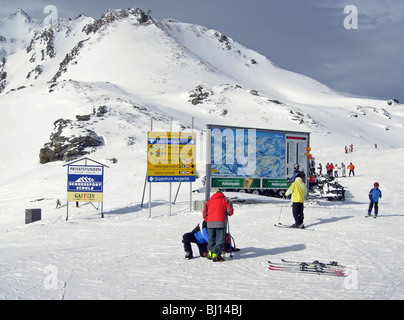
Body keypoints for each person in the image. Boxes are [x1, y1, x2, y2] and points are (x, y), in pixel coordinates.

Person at [203, 190, 234, 262]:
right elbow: (230, 212)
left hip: (210, 223)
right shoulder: (225, 200)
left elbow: (204, 214)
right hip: (220, 222)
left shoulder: (209, 201)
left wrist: (209, 219)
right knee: (220, 240)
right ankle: (216, 254)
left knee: (211, 240)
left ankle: (210, 253)